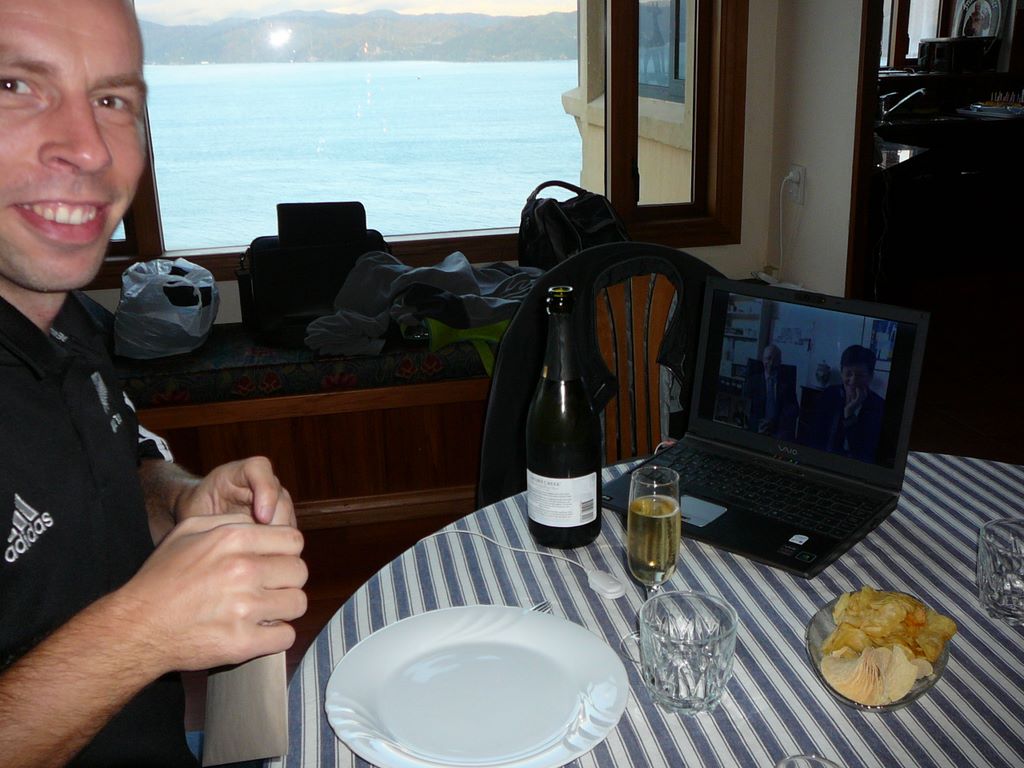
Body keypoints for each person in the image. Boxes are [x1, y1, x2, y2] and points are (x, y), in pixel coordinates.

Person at [0, 2, 307, 766]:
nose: (89, 148)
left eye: (113, 100)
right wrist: (144, 630)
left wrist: (180, 501)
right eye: (15, 86)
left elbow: (116, 468)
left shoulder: (71, 320)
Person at [806, 344, 885, 463]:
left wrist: (849, 414)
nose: (853, 381)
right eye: (848, 373)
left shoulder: (879, 406)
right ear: (841, 373)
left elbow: (864, 453)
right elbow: (815, 436)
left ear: (870, 377)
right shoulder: (829, 395)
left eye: (860, 375)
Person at [742, 344, 799, 440]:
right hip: (757, 428)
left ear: (780, 362)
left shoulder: (786, 384)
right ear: (763, 360)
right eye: (768, 358)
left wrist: (774, 422)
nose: (771, 363)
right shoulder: (752, 382)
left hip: (778, 429)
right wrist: (757, 425)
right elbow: (743, 408)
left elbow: (794, 409)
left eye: (775, 360)